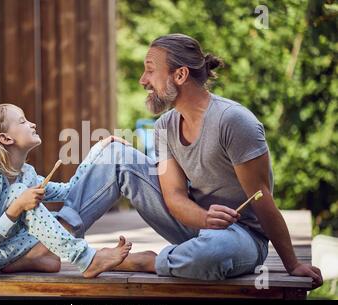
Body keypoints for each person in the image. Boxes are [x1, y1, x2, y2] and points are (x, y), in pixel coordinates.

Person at [53, 34, 323, 288]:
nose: (142, 80)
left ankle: (147, 261)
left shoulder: (233, 121)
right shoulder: (163, 127)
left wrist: (292, 263)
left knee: (215, 251)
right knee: (114, 154)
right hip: (194, 222)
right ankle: (54, 244)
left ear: (180, 74)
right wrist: (204, 218)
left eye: (150, 69)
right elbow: (174, 198)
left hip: (240, 236)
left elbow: (261, 196)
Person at [0, 103, 132, 282]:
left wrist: (98, 151)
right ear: (5, 138)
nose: (32, 124)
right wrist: (18, 206)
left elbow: (71, 190)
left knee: (55, 221)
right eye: (23, 121)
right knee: (22, 196)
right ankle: (86, 260)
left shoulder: (26, 174)